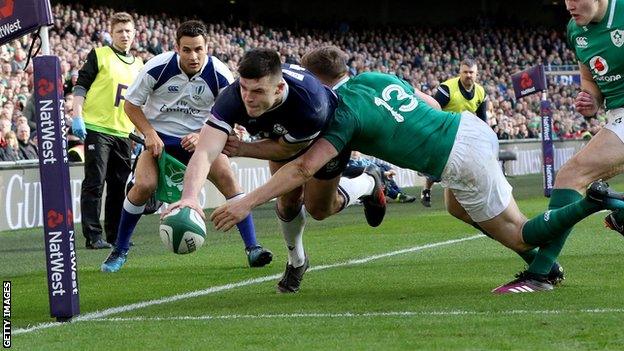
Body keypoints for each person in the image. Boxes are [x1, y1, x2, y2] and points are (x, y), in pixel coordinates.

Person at [209, 46, 624, 294]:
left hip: (455, 157)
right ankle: (545, 262)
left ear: (316, 82)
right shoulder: (373, 77)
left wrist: (248, 199)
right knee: (457, 209)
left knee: (517, 229)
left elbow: (303, 168)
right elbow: (427, 104)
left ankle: (590, 208)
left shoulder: (338, 114)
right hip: (467, 129)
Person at [165, 48, 386, 293]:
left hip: (326, 135)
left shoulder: (310, 105)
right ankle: (297, 262)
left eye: (258, 91)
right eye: (244, 88)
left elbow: (295, 161)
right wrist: (189, 197)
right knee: (288, 201)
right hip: (281, 137)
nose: (248, 98)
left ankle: (369, 182)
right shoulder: (233, 97)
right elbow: (205, 151)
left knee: (320, 209)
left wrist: (245, 184)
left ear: (278, 89)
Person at [100, 21, 272, 272]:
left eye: (199, 49)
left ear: (207, 47)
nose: (194, 56)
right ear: (177, 48)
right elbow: (131, 105)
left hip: (202, 140)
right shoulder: (157, 67)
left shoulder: (220, 73)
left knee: (229, 181)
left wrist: (203, 134)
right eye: (187, 50)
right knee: (143, 186)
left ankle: (253, 248)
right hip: (160, 140)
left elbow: (231, 115)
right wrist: (149, 133)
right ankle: (119, 250)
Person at [491, 0, 624, 290]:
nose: (570, 5)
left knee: (570, 176)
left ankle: (540, 274)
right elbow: (590, 81)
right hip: (616, 116)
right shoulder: (576, 30)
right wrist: (590, 99)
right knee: (576, 179)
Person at [72, 12, 144, 249]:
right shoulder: (99, 55)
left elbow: (143, 101)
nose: (124, 35)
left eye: (128, 31)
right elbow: (81, 85)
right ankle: (93, 236)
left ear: (134, 34)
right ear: (111, 34)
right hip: (97, 128)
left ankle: (115, 235)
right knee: (95, 182)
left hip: (124, 133)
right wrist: (77, 116)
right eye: (119, 31)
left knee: (118, 185)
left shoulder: (139, 65)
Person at [418, 58, 490, 207]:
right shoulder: (447, 88)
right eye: (465, 72)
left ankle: (468, 193)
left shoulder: (481, 91)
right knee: (440, 168)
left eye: (471, 72)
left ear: (476, 74)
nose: (468, 75)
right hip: (445, 131)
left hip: (466, 133)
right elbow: (434, 109)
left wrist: (485, 136)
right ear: (460, 72)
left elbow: (482, 118)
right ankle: (426, 188)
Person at [344, 151, 416, 203]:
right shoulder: (349, 163)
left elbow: (379, 165)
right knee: (380, 178)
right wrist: (383, 173)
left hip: (374, 179)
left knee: (386, 174)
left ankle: (399, 193)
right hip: (364, 183)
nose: (354, 153)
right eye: (352, 151)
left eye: (356, 151)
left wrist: (390, 169)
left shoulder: (364, 160)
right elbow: (360, 171)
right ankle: (397, 196)